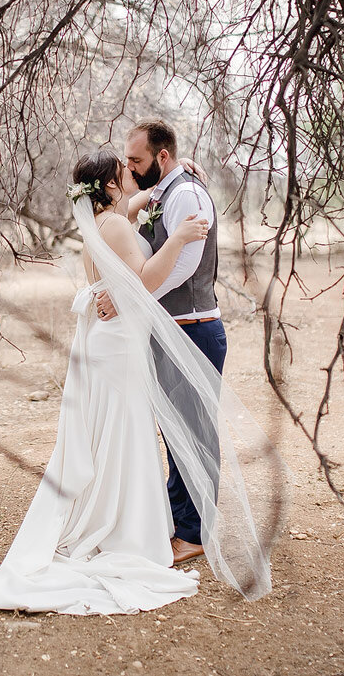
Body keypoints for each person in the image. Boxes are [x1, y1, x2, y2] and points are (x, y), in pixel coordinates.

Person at [0, 150, 210, 614]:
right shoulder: (116, 227)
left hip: (109, 343)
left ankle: (109, 519)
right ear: (110, 185)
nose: (132, 175)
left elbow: (134, 206)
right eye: (125, 173)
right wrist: (178, 237)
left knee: (111, 436)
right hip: (118, 347)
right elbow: (142, 281)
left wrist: (175, 176)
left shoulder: (100, 224)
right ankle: (123, 532)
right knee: (123, 434)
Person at [97, 119, 222, 566]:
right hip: (169, 327)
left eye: (137, 160)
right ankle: (179, 519)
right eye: (127, 161)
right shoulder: (165, 189)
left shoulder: (184, 194)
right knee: (174, 432)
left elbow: (185, 262)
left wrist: (130, 296)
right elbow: (129, 202)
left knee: (194, 431)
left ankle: (194, 532)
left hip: (192, 326)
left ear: (161, 158)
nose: (130, 166)